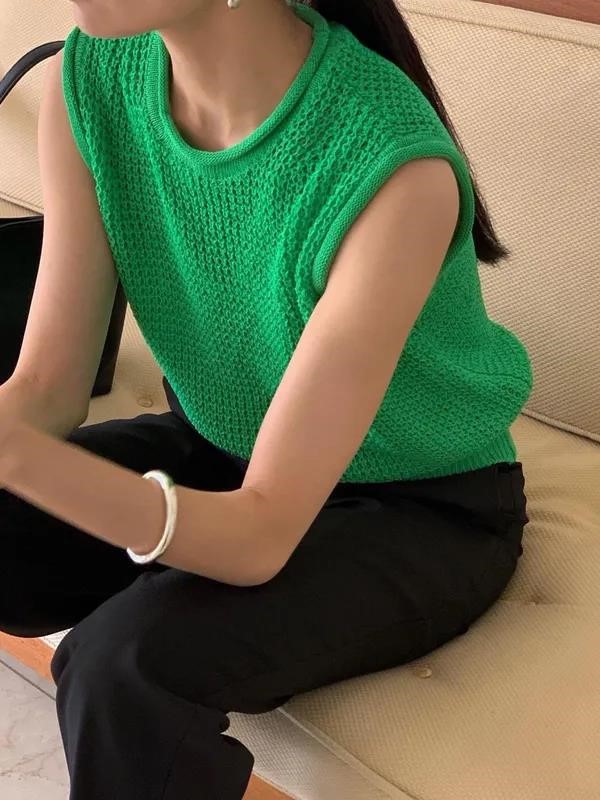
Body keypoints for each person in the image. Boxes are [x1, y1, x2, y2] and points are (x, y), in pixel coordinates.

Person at [0, 0, 532, 797]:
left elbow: (258, 536)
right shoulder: (92, 80)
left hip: (422, 509)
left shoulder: (391, 166)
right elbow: (47, 387)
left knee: (123, 668)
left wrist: (16, 456)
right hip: (225, 444)